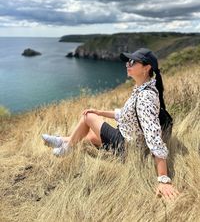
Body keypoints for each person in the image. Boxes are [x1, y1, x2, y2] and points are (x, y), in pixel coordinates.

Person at [42, 48, 179, 200]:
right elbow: (125, 115)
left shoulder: (145, 97)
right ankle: (61, 140)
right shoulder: (142, 89)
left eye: (133, 62)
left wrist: (163, 179)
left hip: (127, 146)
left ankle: (66, 148)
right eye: (128, 61)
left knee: (88, 117)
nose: (128, 64)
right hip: (127, 141)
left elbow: (154, 138)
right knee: (89, 135)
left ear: (146, 68)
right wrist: (101, 112)